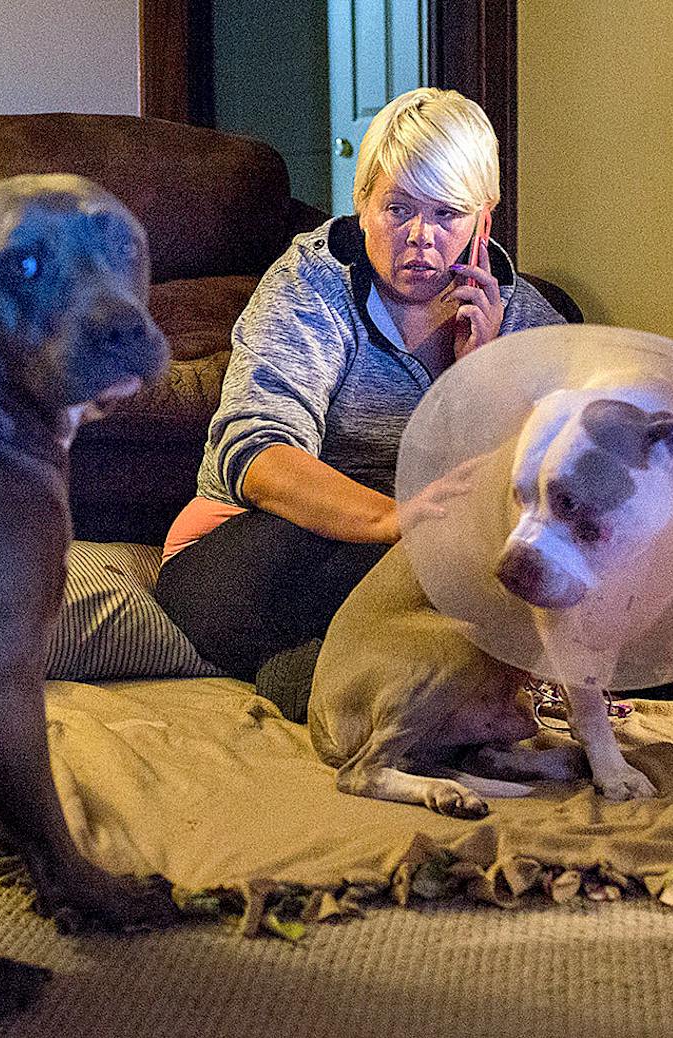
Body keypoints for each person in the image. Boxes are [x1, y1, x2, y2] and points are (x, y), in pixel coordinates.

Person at [153, 86, 566, 721]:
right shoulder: (312, 284)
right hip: (253, 544)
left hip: (421, 550)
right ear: (362, 203)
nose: (420, 239)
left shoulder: (522, 316)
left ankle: (317, 677)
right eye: (398, 209)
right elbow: (256, 453)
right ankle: (371, 672)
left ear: (483, 221)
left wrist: (479, 378)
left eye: (448, 215)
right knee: (446, 571)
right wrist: (395, 521)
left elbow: (531, 484)